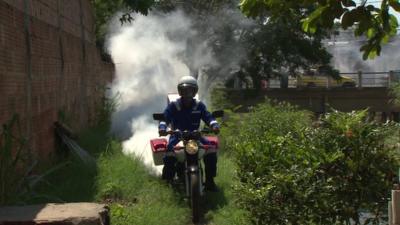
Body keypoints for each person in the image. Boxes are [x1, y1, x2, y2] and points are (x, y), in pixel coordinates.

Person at [158, 75, 220, 192]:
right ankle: (168, 181)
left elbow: (208, 116)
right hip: (177, 136)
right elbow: (165, 118)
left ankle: (210, 181)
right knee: (169, 154)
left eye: (190, 90)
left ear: (194, 91)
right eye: (184, 90)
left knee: (211, 151)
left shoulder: (199, 105)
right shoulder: (174, 105)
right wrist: (162, 128)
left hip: (196, 135)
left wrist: (214, 125)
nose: (187, 93)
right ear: (180, 91)